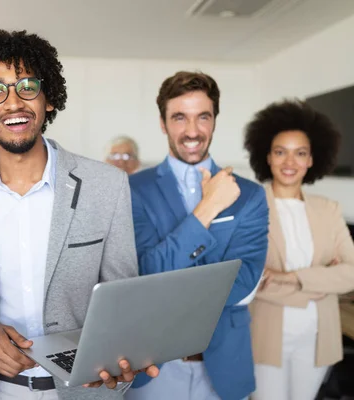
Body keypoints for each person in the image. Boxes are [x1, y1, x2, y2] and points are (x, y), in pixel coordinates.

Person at [0, 28, 158, 400]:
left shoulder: (106, 186)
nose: (13, 102)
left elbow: (121, 300)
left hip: (85, 391)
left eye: (27, 85)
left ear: (49, 100)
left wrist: (122, 359)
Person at [126, 71, 268, 400]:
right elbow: (143, 274)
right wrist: (209, 207)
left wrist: (167, 286)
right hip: (152, 367)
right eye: (180, 117)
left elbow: (244, 280)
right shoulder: (132, 190)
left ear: (215, 120)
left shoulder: (250, 196)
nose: (192, 131)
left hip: (224, 367)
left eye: (203, 116)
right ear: (163, 123)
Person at [244, 100, 354, 400]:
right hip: (266, 335)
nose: (289, 161)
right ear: (267, 157)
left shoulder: (328, 209)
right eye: (280, 151)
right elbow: (248, 280)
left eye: (300, 153)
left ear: (311, 160)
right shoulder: (250, 208)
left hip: (318, 336)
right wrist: (322, 281)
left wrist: (287, 277)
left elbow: (352, 273)